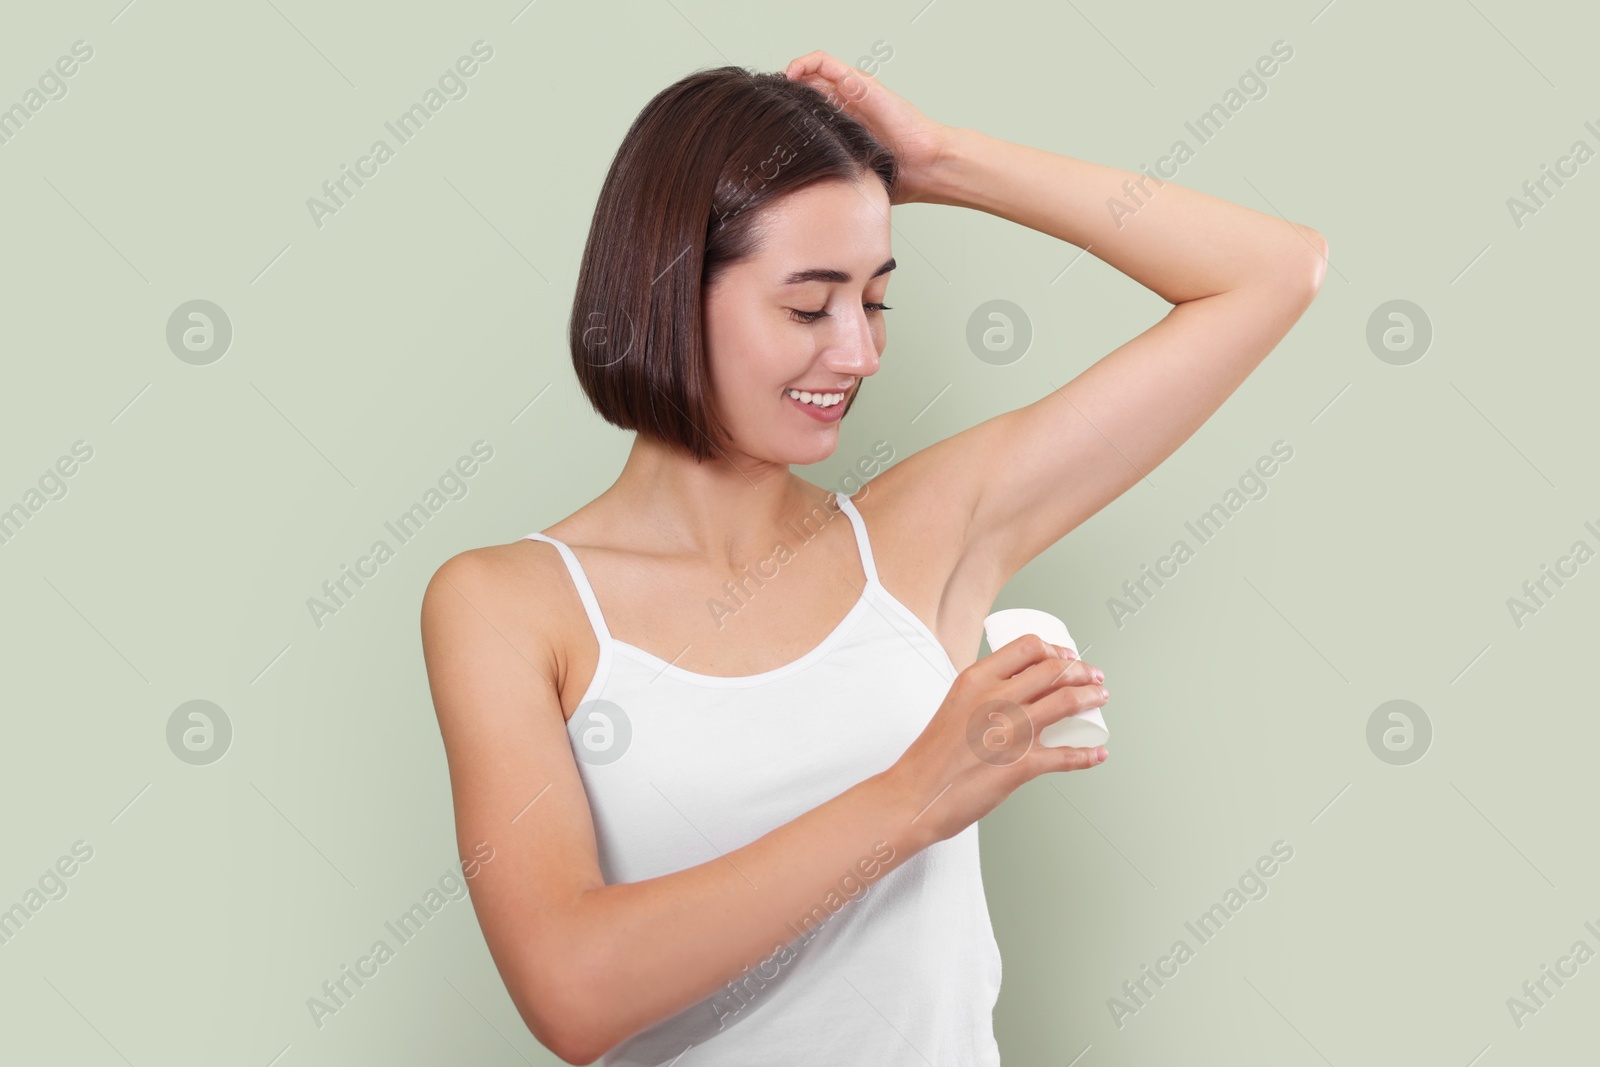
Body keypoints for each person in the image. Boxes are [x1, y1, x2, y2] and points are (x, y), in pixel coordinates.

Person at [420, 50, 1326, 1065]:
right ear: (669, 290)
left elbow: (1273, 271)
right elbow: (573, 992)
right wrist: (916, 794)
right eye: (809, 306)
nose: (857, 352)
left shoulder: (921, 534)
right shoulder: (509, 603)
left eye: (875, 299)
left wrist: (940, 161)